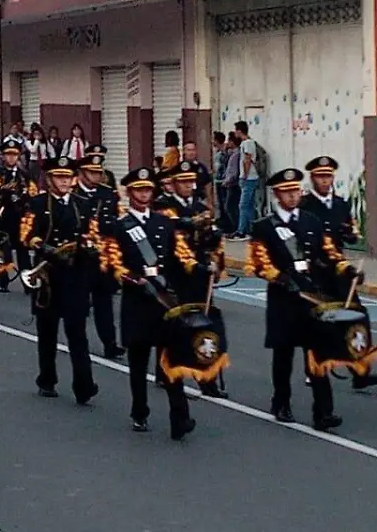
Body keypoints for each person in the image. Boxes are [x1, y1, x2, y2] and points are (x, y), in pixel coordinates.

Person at [247, 168, 362, 431]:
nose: (292, 196)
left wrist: (347, 269)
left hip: (311, 295)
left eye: (295, 191)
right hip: (284, 298)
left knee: (318, 353)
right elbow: (258, 263)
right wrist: (279, 277)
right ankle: (281, 401)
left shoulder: (311, 221)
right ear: (277, 195)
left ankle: (323, 412)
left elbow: (329, 252)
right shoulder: (264, 226)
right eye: (286, 192)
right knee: (284, 354)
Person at [99, 166, 200, 439]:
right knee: (139, 363)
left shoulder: (164, 223)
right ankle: (139, 411)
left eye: (147, 189)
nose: (144, 194)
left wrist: (201, 267)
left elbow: (181, 256)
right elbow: (112, 263)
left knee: (172, 361)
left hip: (164, 301)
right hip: (138, 302)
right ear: (129, 193)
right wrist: (132, 279)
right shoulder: (120, 227)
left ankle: (180, 418)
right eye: (139, 189)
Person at [299, 155, 377, 391]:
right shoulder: (305, 206)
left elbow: (352, 230)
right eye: (320, 177)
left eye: (328, 176)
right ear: (313, 178)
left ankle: (360, 369)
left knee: (356, 314)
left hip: (340, 271)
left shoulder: (340, 204)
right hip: (315, 271)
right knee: (317, 321)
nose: (325, 181)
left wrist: (351, 234)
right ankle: (313, 368)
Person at [20, 155, 99, 404]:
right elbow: (25, 234)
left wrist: (90, 247)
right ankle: (47, 379)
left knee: (77, 333)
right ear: (50, 179)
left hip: (76, 275)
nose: (64, 182)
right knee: (48, 332)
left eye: (67, 177)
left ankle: (84, 385)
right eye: (59, 177)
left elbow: (93, 234)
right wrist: (46, 249)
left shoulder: (83, 204)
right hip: (48, 276)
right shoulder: (37, 203)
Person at [153, 159, 228, 398]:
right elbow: (168, 227)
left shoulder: (199, 206)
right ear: (173, 184)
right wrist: (190, 225)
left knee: (205, 324)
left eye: (191, 182)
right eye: (183, 182)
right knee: (175, 326)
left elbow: (211, 235)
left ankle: (207, 377)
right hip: (176, 274)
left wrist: (214, 243)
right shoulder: (164, 205)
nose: (188, 186)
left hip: (200, 273)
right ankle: (167, 372)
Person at [75, 153, 124, 359]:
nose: (96, 176)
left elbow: (116, 218)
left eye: (98, 172)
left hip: (103, 256)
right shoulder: (73, 193)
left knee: (104, 303)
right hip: (80, 257)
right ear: (82, 173)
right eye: (91, 172)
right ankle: (78, 341)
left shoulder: (108, 193)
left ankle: (110, 343)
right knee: (79, 305)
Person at [0, 138, 40, 292]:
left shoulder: (24, 174)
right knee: (2, 251)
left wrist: (26, 199)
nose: (11, 158)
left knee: (23, 252)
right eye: (8, 155)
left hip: (21, 218)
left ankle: (27, 283)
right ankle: (3, 281)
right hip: (3, 216)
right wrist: (1, 190)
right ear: (3, 156)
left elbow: (33, 193)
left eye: (14, 155)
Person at [233, 121, 260, 241]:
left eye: (236, 130)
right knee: (249, 205)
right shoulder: (248, 143)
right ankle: (252, 229)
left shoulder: (247, 143)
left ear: (239, 131)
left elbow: (247, 160)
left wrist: (244, 175)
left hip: (249, 178)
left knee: (243, 205)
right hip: (251, 178)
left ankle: (241, 230)